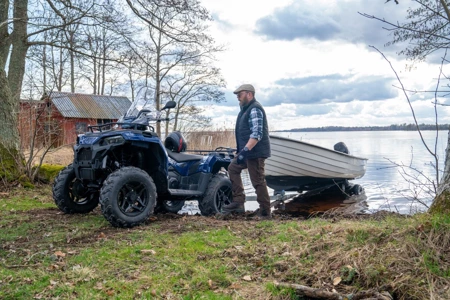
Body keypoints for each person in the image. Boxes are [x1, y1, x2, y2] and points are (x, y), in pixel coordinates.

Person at [221, 84, 272, 218]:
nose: (237, 97)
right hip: (248, 152)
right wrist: (241, 151)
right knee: (233, 168)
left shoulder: (254, 109)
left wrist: (244, 151)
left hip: (256, 152)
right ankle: (238, 200)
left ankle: (265, 211)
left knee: (257, 181)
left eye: (240, 94)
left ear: (249, 94)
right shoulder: (245, 109)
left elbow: (257, 134)